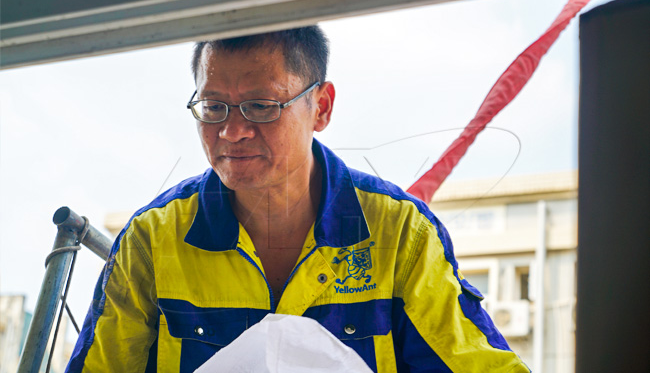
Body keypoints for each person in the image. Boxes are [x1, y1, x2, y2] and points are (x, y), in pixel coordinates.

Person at [66, 26, 529, 372]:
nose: (232, 131)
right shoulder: (152, 241)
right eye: (213, 107)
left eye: (261, 106)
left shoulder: (401, 235)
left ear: (321, 107)